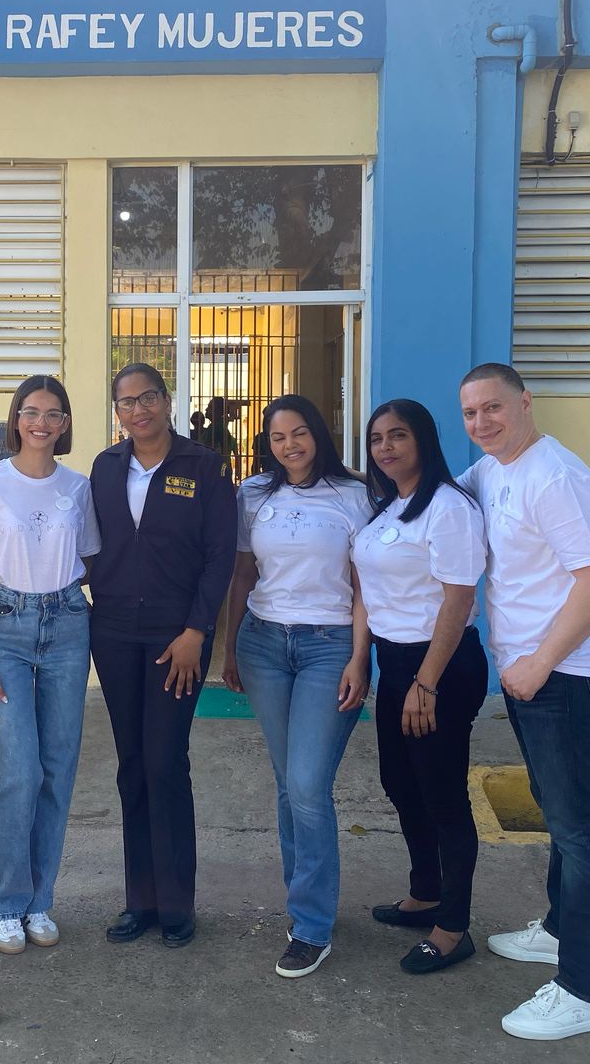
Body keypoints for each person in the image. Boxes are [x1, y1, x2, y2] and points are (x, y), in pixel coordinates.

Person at [457, 362, 590, 1041]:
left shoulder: (555, 477)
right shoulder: (495, 470)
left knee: (579, 831)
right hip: (534, 675)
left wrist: (540, 661)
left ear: (525, 402)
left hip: (566, 676)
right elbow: (434, 491)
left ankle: (585, 992)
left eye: (492, 408)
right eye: (470, 414)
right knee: (561, 818)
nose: (481, 423)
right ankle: (559, 930)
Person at [222, 394, 374, 979]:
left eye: (301, 433)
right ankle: (304, 903)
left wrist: (361, 657)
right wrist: (232, 644)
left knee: (308, 783)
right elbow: (243, 572)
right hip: (264, 644)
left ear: (319, 435)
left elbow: (364, 586)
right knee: (290, 784)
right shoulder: (253, 493)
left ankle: (311, 924)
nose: (291, 445)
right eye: (279, 437)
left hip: (329, 647)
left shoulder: (356, 495)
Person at [89, 363, 236, 948]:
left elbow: (219, 556)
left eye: (147, 397)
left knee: (164, 762)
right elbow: (88, 542)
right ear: (117, 412)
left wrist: (198, 631)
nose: (138, 410)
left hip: (178, 639)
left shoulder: (204, 466)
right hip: (115, 632)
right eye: (126, 402)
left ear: (167, 400)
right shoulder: (105, 468)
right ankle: (139, 901)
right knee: (131, 766)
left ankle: (177, 904)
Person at [0, 375, 101, 955]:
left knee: (58, 767)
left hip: (68, 624)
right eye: (31, 411)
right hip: (6, 630)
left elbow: (89, 561)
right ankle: (5, 903)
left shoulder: (79, 486)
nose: (41, 422)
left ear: (65, 424)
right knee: (20, 770)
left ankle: (41, 900)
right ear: (15, 418)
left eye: (53, 413)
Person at [351, 399, 487, 975]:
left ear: (424, 441)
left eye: (398, 436)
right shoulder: (389, 509)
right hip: (395, 662)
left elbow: (459, 598)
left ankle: (453, 926)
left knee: (442, 795)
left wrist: (425, 683)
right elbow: (367, 591)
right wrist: (362, 660)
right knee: (400, 781)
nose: (385, 448)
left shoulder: (449, 508)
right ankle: (425, 891)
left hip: (441, 666)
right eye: (377, 439)